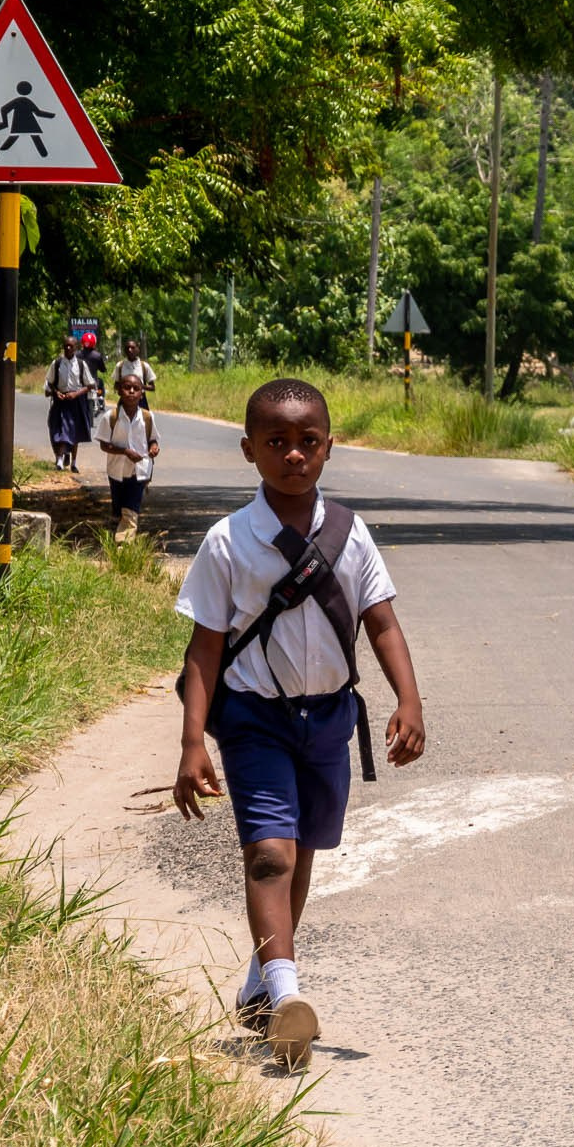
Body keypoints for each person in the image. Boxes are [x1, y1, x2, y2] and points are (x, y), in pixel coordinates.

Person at [172, 378, 427, 1070]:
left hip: (330, 719)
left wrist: (410, 698)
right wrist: (194, 740)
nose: (293, 455)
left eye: (307, 442)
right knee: (270, 854)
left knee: (303, 851)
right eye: (277, 442)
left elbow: (382, 621)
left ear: (328, 446)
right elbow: (204, 649)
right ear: (249, 448)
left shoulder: (351, 532)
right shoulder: (229, 542)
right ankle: (289, 996)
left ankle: (261, 982)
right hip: (254, 719)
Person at [96, 373, 160, 542]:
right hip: (116, 471)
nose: (131, 391)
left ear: (141, 393)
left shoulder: (147, 417)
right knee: (119, 510)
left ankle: (123, 547)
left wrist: (154, 448)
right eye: (127, 387)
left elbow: (153, 439)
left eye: (136, 388)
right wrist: (125, 451)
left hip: (139, 471)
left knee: (131, 510)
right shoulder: (110, 417)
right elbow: (104, 444)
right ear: (119, 391)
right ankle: (117, 534)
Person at [42, 337, 96, 470]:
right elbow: (49, 382)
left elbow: (90, 385)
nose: (68, 348)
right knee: (59, 428)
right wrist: (56, 392)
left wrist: (76, 394)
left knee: (75, 431)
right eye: (66, 346)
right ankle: (59, 459)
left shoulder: (81, 364)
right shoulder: (57, 363)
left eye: (71, 346)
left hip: (76, 401)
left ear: (76, 348)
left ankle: (74, 462)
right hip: (61, 401)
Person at [114, 337, 158, 407]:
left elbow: (152, 387)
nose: (130, 350)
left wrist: (140, 386)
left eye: (133, 348)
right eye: (127, 348)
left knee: (146, 417)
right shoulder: (120, 366)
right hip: (124, 400)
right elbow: (116, 385)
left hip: (140, 401)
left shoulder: (144, 366)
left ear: (138, 349)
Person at [79, 330, 109, 422]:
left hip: (80, 382)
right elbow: (103, 369)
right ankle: (101, 401)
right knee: (101, 383)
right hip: (93, 382)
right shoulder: (97, 355)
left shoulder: (77, 354)